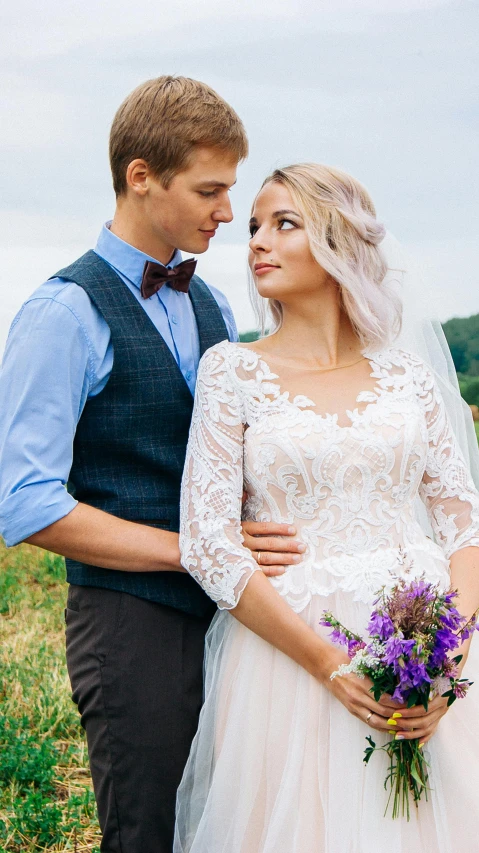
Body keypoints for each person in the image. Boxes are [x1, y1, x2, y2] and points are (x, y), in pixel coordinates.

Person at [0, 77, 303, 853]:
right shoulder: (62, 313)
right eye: (210, 189)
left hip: (231, 616)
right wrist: (192, 550)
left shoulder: (214, 309)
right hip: (129, 622)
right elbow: (23, 501)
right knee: (150, 834)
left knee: (226, 826)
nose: (228, 213)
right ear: (142, 177)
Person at [175, 163, 479, 852]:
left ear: (340, 239)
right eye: (252, 226)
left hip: (426, 641)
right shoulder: (231, 372)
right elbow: (206, 542)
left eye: (284, 223)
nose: (257, 241)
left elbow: (465, 523)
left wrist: (448, 660)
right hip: (293, 660)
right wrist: (327, 664)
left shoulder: (408, 375)